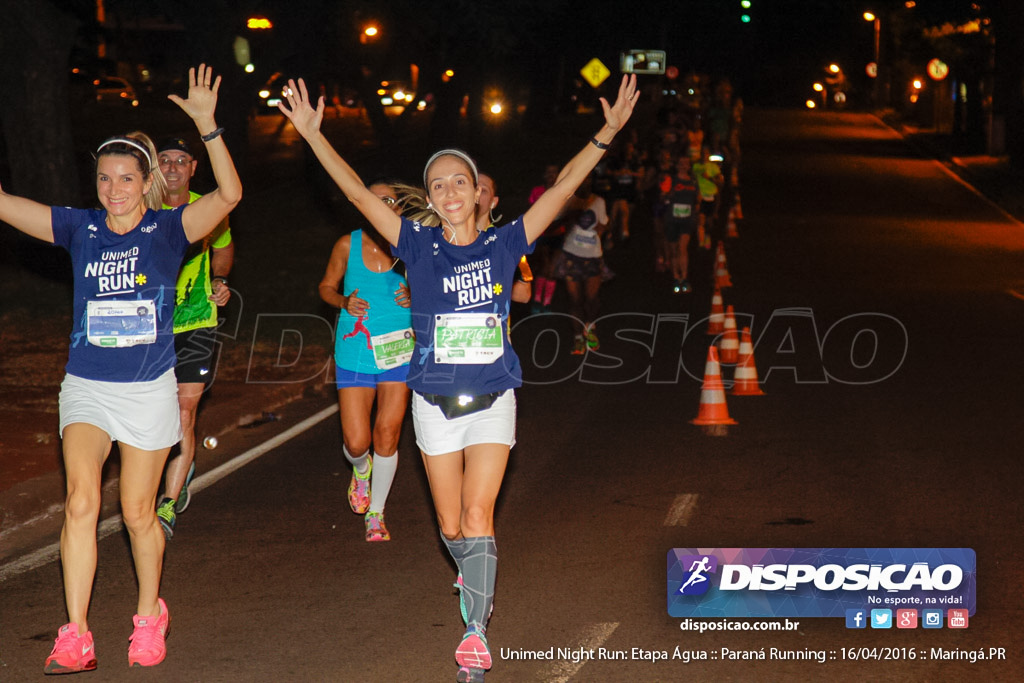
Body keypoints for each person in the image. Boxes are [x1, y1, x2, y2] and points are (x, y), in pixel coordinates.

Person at [278, 73, 637, 683]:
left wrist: (605, 134)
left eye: (459, 181)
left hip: (494, 397)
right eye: (437, 183)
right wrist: (314, 137)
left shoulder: (504, 243)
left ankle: (475, 631)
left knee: (477, 518)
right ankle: (474, 577)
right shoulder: (416, 246)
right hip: (433, 403)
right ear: (431, 196)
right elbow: (361, 200)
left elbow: (565, 187)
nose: (448, 190)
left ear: (476, 193)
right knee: (449, 527)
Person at [0, 65, 241, 674]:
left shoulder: (167, 230)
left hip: (147, 391)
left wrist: (208, 127)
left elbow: (230, 196)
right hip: (86, 387)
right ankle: (76, 632)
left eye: (126, 178)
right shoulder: (80, 228)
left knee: (137, 512)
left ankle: (147, 614)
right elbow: (5, 206)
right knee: (81, 501)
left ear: (147, 181)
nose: (113, 189)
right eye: (105, 178)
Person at [318, 180, 412, 542]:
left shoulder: (411, 245)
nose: (383, 205)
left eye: (390, 200)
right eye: (375, 199)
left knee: (387, 432)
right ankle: (361, 470)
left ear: (400, 208)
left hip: (399, 351)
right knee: (357, 442)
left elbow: (437, 288)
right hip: (355, 350)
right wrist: (343, 301)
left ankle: (377, 513)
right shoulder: (347, 244)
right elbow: (326, 287)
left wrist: (414, 295)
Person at [154, 136, 235, 539]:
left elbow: (224, 248)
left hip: (197, 323)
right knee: (155, 410)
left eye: (179, 161)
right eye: (164, 160)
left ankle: (167, 502)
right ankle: (176, 463)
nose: (171, 168)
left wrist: (219, 279)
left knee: (185, 410)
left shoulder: (209, 207)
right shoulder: (141, 207)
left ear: (192, 168)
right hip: (147, 328)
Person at [555, 208, 608, 354]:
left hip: (593, 257)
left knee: (591, 299)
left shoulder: (598, 201)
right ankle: (578, 337)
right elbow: (559, 223)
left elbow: (603, 227)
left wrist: (596, 229)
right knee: (575, 300)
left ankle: (590, 328)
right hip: (571, 256)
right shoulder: (571, 202)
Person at [475, 172, 531, 305]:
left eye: (483, 190)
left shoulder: (504, 240)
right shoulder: (445, 237)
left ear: (493, 202)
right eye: (471, 188)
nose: (475, 194)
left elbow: (524, 295)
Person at [661, 154, 700, 293]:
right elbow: (662, 196)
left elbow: (697, 201)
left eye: (686, 163)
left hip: (687, 220)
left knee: (683, 248)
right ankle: (676, 277)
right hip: (672, 219)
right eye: (681, 163)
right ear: (677, 165)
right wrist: (667, 195)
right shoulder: (671, 180)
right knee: (674, 250)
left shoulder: (693, 182)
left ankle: (684, 278)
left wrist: (696, 216)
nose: (684, 166)